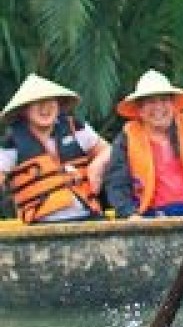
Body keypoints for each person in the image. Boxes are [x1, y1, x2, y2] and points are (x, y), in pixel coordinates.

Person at [104, 69, 183, 218]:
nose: (158, 107)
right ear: (139, 109)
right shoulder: (126, 138)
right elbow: (116, 185)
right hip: (148, 216)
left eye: (164, 100)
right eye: (151, 102)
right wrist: (130, 215)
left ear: (173, 105)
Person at [0, 74, 111, 223]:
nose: (45, 107)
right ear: (24, 110)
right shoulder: (12, 143)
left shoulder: (76, 128)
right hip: (42, 225)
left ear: (58, 105)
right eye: (37, 102)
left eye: (50, 101)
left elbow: (108, 150)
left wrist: (97, 165)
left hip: (89, 216)